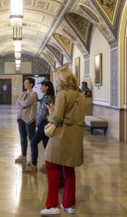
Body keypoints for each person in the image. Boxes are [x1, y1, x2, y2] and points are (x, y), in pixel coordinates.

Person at [40, 66, 85, 215]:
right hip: (76, 136)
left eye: (57, 78)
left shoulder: (62, 94)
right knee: (69, 170)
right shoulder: (81, 95)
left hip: (62, 135)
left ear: (62, 80)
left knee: (51, 165)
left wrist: (51, 113)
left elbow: (58, 118)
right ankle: (68, 204)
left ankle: (52, 205)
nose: (56, 81)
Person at [25, 80, 55, 172]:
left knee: (33, 142)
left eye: (42, 86)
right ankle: (49, 164)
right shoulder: (49, 97)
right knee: (46, 145)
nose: (41, 87)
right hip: (46, 123)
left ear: (47, 87)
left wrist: (37, 123)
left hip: (43, 124)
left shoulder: (46, 98)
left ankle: (33, 163)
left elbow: (42, 113)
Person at [14, 77, 38, 163]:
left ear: (31, 84)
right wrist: (22, 103)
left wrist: (22, 103)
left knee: (31, 138)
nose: (24, 84)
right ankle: (23, 155)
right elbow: (17, 102)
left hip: (29, 119)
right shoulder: (23, 93)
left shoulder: (34, 94)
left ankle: (33, 158)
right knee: (22, 137)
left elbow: (26, 103)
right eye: (24, 83)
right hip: (20, 117)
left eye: (26, 83)